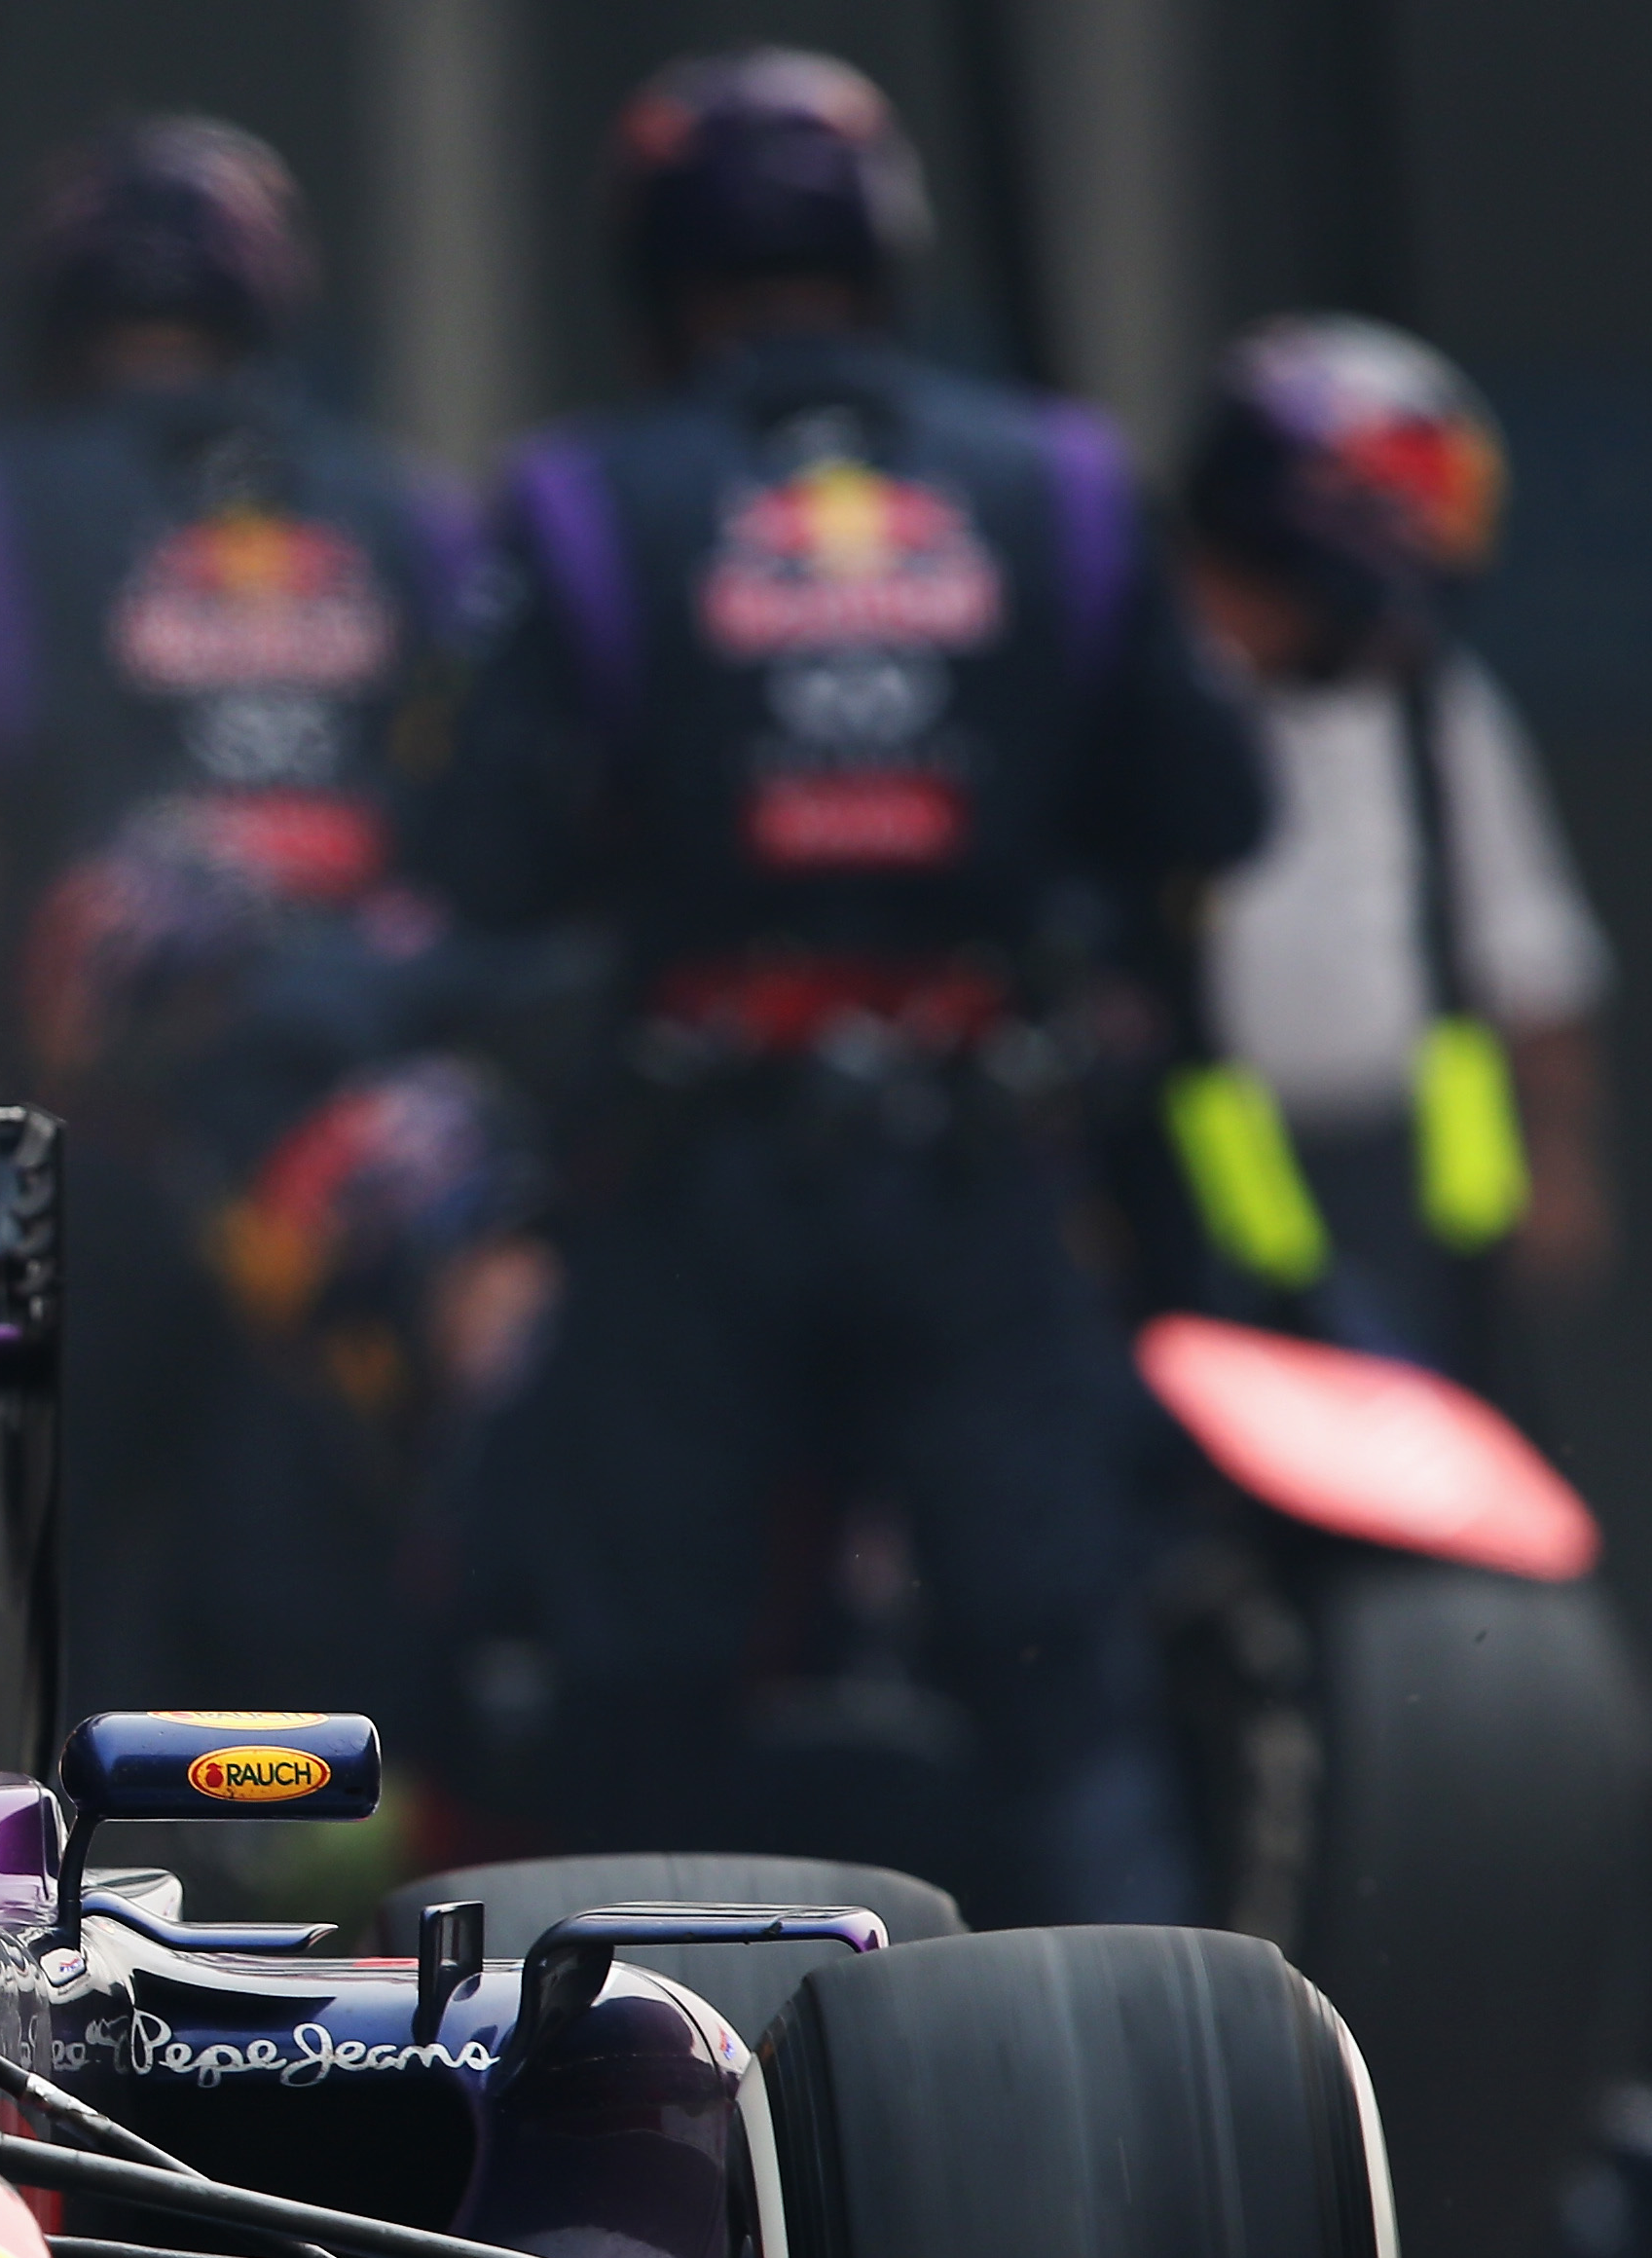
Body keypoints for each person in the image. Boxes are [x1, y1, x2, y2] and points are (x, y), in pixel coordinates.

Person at [426, 48, 1269, 1922]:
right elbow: (1208, 802)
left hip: (692, 1181)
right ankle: (1131, 2066)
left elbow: (478, 853)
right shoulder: (1056, 482)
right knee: (1058, 1690)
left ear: (652, 274)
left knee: (640, 1687)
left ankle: (621, 2077)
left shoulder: (582, 499)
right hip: (976, 1163)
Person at [0, 119, 489, 1725]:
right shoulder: (412, 516)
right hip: (371, 1170)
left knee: (46, 1619)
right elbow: (499, 842)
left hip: (77, 1164)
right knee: (346, 1624)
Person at [1164, 315, 1610, 1390]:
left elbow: (1532, 947)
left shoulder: (1432, 705)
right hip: (1191, 1186)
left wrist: (1558, 1154)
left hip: (1408, 1204)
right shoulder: (1149, 696)